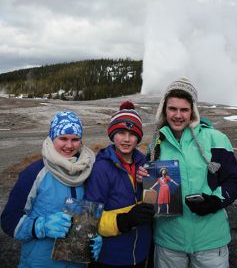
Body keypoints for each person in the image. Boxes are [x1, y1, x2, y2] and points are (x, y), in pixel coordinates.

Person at [138, 77, 237, 268]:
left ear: (192, 111)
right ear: (164, 109)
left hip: (210, 242)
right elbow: (149, 190)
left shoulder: (216, 139)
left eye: (184, 109)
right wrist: (141, 180)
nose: (178, 115)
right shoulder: (156, 145)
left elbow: (234, 180)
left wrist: (215, 201)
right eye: (172, 109)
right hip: (169, 243)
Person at [1, 110, 102, 268]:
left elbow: (92, 213)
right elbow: (9, 221)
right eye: (63, 138)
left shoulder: (90, 171)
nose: (69, 145)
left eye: (75, 139)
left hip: (78, 264)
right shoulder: (34, 173)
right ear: (52, 137)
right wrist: (40, 226)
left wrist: (95, 237)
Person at [85, 101, 155, 268]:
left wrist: (147, 185)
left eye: (132, 134)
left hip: (139, 254)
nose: (126, 139)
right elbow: (88, 219)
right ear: (112, 135)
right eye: (121, 132)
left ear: (138, 137)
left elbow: (154, 201)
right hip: (110, 257)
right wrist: (125, 220)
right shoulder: (101, 168)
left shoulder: (145, 164)